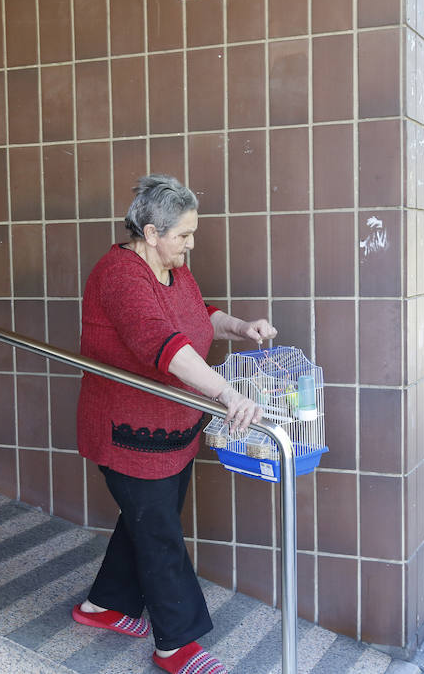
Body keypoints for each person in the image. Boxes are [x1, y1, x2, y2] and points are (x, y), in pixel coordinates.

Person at [71, 174, 277, 674]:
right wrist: (227, 393)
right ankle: (176, 647)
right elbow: (162, 345)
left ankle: (103, 606)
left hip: (174, 434)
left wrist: (239, 327)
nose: (191, 243)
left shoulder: (172, 267)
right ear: (150, 231)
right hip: (127, 434)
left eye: (192, 233)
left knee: (147, 520)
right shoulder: (120, 275)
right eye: (183, 234)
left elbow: (197, 315)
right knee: (159, 533)